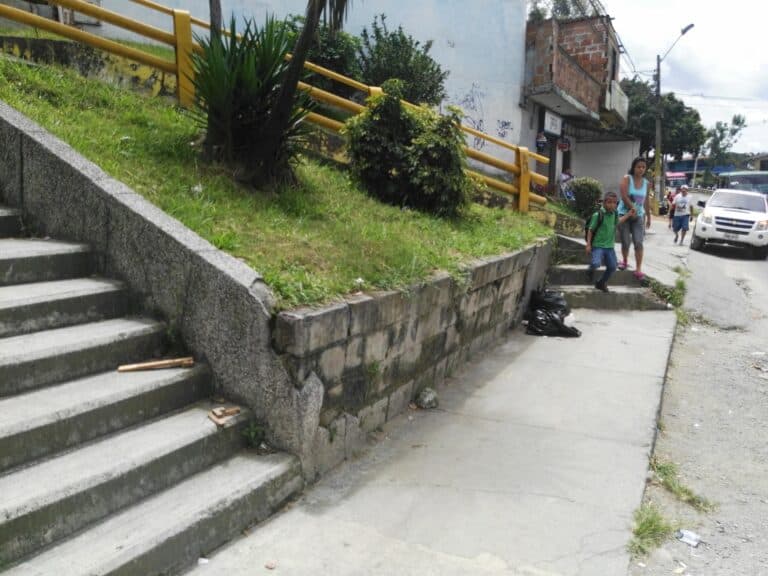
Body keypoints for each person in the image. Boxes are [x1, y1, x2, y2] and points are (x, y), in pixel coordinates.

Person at [586, 191, 636, 292]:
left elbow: (618, 222)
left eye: (614, 202)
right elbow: (590, 230)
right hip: (598, 245)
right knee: (596, 264)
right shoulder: (598, 215)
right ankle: (590, 270)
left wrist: (628, 214)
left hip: (609, 247)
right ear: (604, 203)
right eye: (609, 202)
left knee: (613, 267)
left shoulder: (614, 213)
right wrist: (588, 245)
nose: (612, 204)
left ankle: (601, 282)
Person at [617, 157, 652, 280]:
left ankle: (638, 269)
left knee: (638, 242)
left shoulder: (647, 183)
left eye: (643, 167)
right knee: (626, 241)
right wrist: (633, 209)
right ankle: (625, 261)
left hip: (638, 217)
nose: (641, 169)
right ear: (634, 167)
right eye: (639, 167)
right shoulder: (627, 179)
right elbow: (624, 196)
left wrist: (648, 216)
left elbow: (646, 200)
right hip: (624, 215)